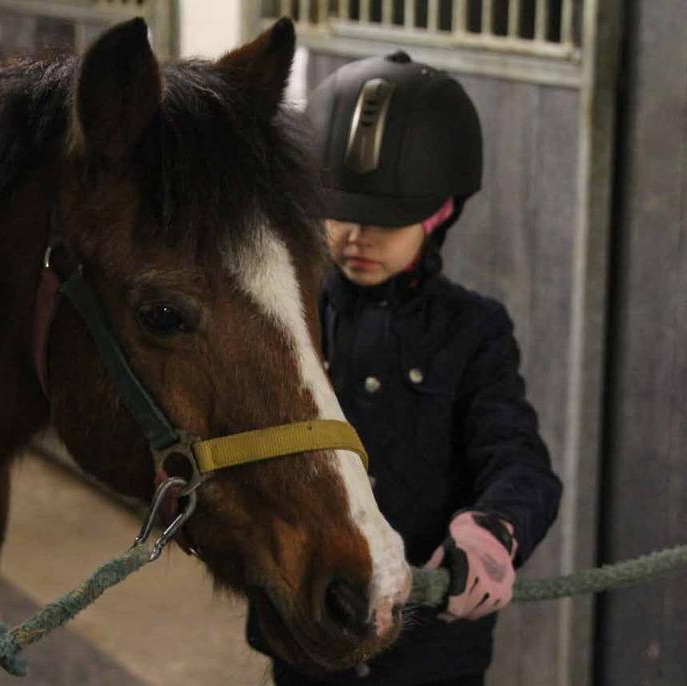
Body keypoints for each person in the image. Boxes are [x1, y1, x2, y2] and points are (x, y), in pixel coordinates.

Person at [246, 51, 563, 686]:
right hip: (308, 636)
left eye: (387, 221)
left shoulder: (474, 330)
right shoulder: (288, 318)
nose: (358, 236)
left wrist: (495, 530)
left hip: (428, 657)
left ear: (440, 213)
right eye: (342, 211)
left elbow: (519, 459)